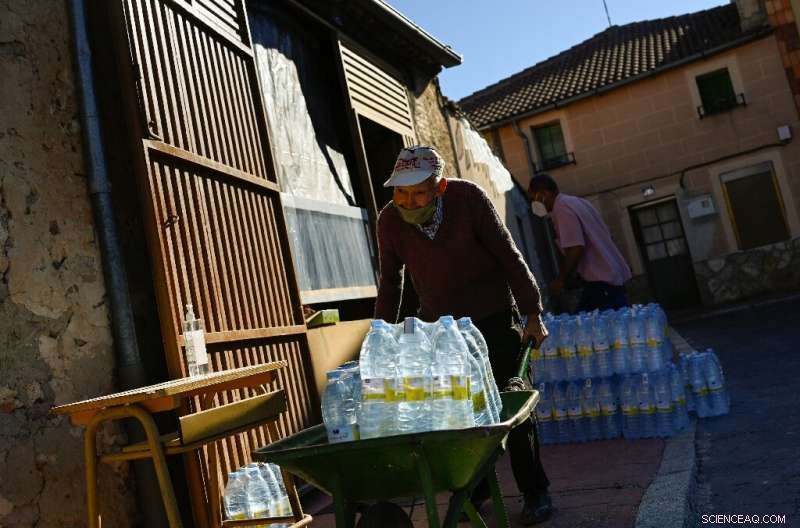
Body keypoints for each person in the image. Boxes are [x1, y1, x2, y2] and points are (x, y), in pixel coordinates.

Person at [374, 145, 553, 525]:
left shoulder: (468, 199)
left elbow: (508, 255)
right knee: (459, 412)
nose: (408, 201)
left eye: (418, 192)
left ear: (438, 188)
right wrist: (381, 337)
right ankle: (478, 488)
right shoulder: (390, 220)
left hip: (492, 316)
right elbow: (391, 284)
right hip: (442, 330)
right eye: (400, 192)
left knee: (512, 406)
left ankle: (535, 490)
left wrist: (532, 313)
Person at [528, 173, 632, 313]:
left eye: (533, 199)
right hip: (610, 277)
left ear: (543, 194)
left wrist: (561, 280)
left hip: (601, 282)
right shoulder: (577, 202)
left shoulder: (562, 208)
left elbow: (575, 247)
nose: (533, 205)